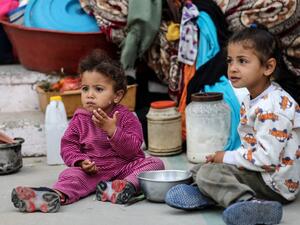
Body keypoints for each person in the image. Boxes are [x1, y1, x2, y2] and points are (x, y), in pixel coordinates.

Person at [165, 24, 300, 225]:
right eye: (230, 61)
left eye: (243, 61)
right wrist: (224, 160)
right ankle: (212, 192)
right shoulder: (252, 97)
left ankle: (248, 203)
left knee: (211, 172)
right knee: (202, 169)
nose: (233, 68)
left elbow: (267, 159)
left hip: (274, 184)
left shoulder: (273, 107)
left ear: (268, 67)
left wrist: (227, 157)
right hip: (260, 173)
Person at [11, 49, 165, 213]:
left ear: (117, 96)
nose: (89, 95)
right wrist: (80, 161)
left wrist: (113, 131)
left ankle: (124, 187)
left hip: (125, 167)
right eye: (85, 89)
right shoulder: (80, 119)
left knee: (155, 163)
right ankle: (52, 196)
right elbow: (68, 146)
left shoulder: (127, 117)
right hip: (94, 171)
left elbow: (133, 149)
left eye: (98, 89)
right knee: (70, 175)